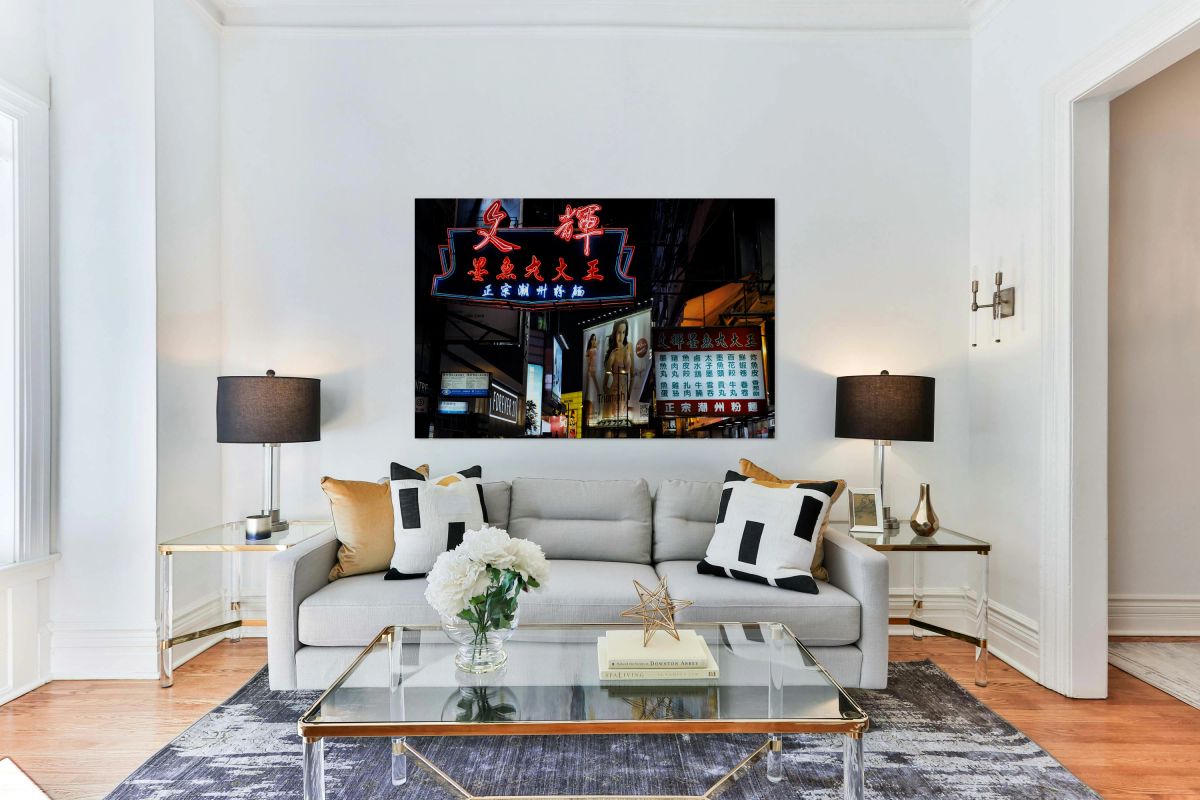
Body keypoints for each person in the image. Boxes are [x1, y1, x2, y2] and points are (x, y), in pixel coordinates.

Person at [603, 319, 633, 421]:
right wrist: (609, 392)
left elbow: (632, 375)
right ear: (615, 333)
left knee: (623, 430)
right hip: (614, 394)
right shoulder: (613, 353)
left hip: (625, 395)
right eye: (619, 332)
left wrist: (629, 392)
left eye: (624, 332)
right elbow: (605, 383)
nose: (621, 336)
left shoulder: (629, 347)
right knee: (611, 427)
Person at [584, 333, 602, 417]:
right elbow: (589, 360)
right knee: (591, 385)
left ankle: (599, 396)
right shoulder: (590, 350)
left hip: (594, 368)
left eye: (595, 339)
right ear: (590, 340)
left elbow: (599, 342)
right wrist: (589, 369)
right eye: (593, 339)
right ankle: (598, 396)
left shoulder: (595, 347)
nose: (594, 340)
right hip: (591, 368)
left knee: (595, 383)